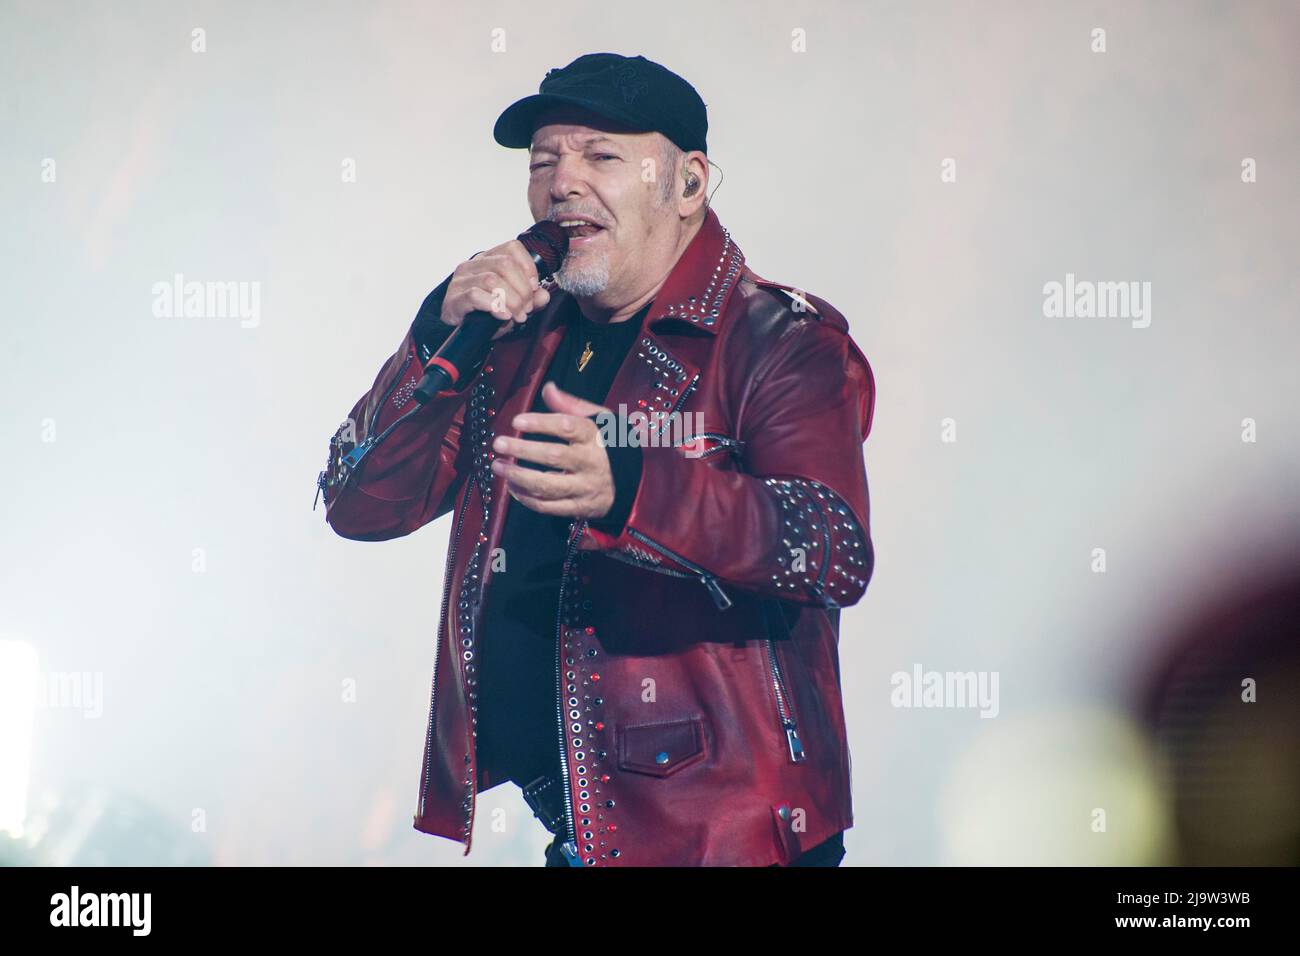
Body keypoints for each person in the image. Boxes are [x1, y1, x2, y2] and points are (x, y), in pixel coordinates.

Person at [317, 52, 876, 866]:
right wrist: (435, 337)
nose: (561, 184)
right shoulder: (514, 348)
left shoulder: (779, 340)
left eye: (601, 156)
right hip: (582, 831)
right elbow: (361, 504)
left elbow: (829, 550)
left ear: (687, 184)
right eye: (544, 161)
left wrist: (633, 490)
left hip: (733, 842)